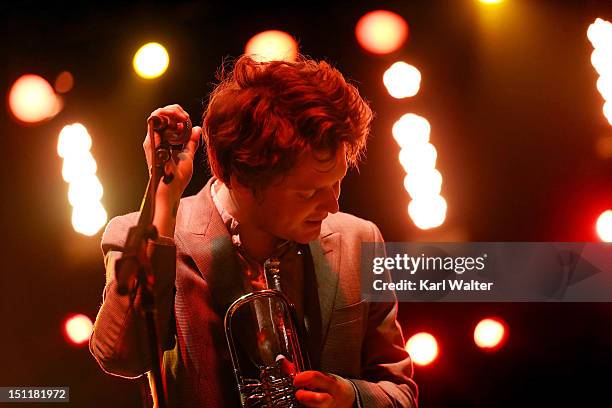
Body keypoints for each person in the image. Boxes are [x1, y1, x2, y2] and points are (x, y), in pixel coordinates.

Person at [90, 54, 418, 408]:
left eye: (337, 182)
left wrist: (350, 397)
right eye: (308, 192)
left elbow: (400, 392)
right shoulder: (143, 234)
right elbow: (121, 356)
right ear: (242, 180)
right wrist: (163, 204)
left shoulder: (360, 239)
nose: (333, 205)